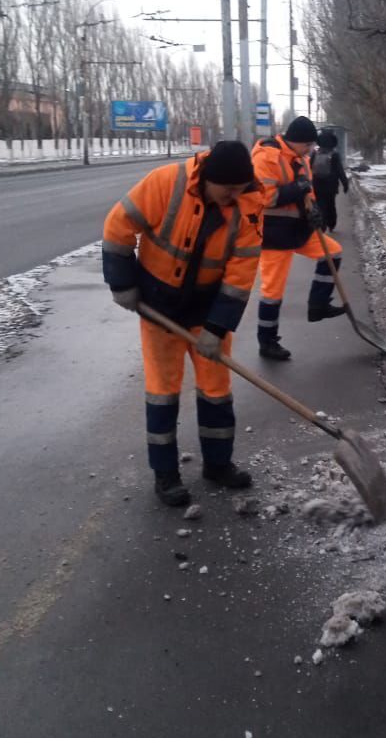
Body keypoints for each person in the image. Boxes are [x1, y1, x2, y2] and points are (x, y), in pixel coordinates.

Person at [102, 141, 264, 506]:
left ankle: (218, 465)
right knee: (163, 391)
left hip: (207, 308)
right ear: (209, 178)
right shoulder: (165, 183)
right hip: (160, 306)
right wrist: (123, 283)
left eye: (240, 189)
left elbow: (240, 274)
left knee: (216, 388)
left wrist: (216, 328)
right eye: (228, 190)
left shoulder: (249, 207)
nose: (234, 196)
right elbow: (117, 226)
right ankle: (166, 475)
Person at [252, 115, 346, 361]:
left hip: (299, 229)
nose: (311, 150)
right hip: (273, 233)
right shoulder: (266, 157)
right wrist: (298, 189)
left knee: (333, 252)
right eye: (308, 145)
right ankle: (267, 341)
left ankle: (318, 305)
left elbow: (309, 189)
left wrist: (314, 210)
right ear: (296, 141)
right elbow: (265, 198)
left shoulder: (302, 158)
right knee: (272, 290)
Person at [310, 129, 350, 232]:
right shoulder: (334, 154)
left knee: (319, 204)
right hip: (331, 185)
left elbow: (309, 167)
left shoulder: (315, 153)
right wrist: (345, 184)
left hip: (317, 183)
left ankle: (322, 224)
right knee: (330, 204)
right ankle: (331, 224)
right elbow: (340, 170)